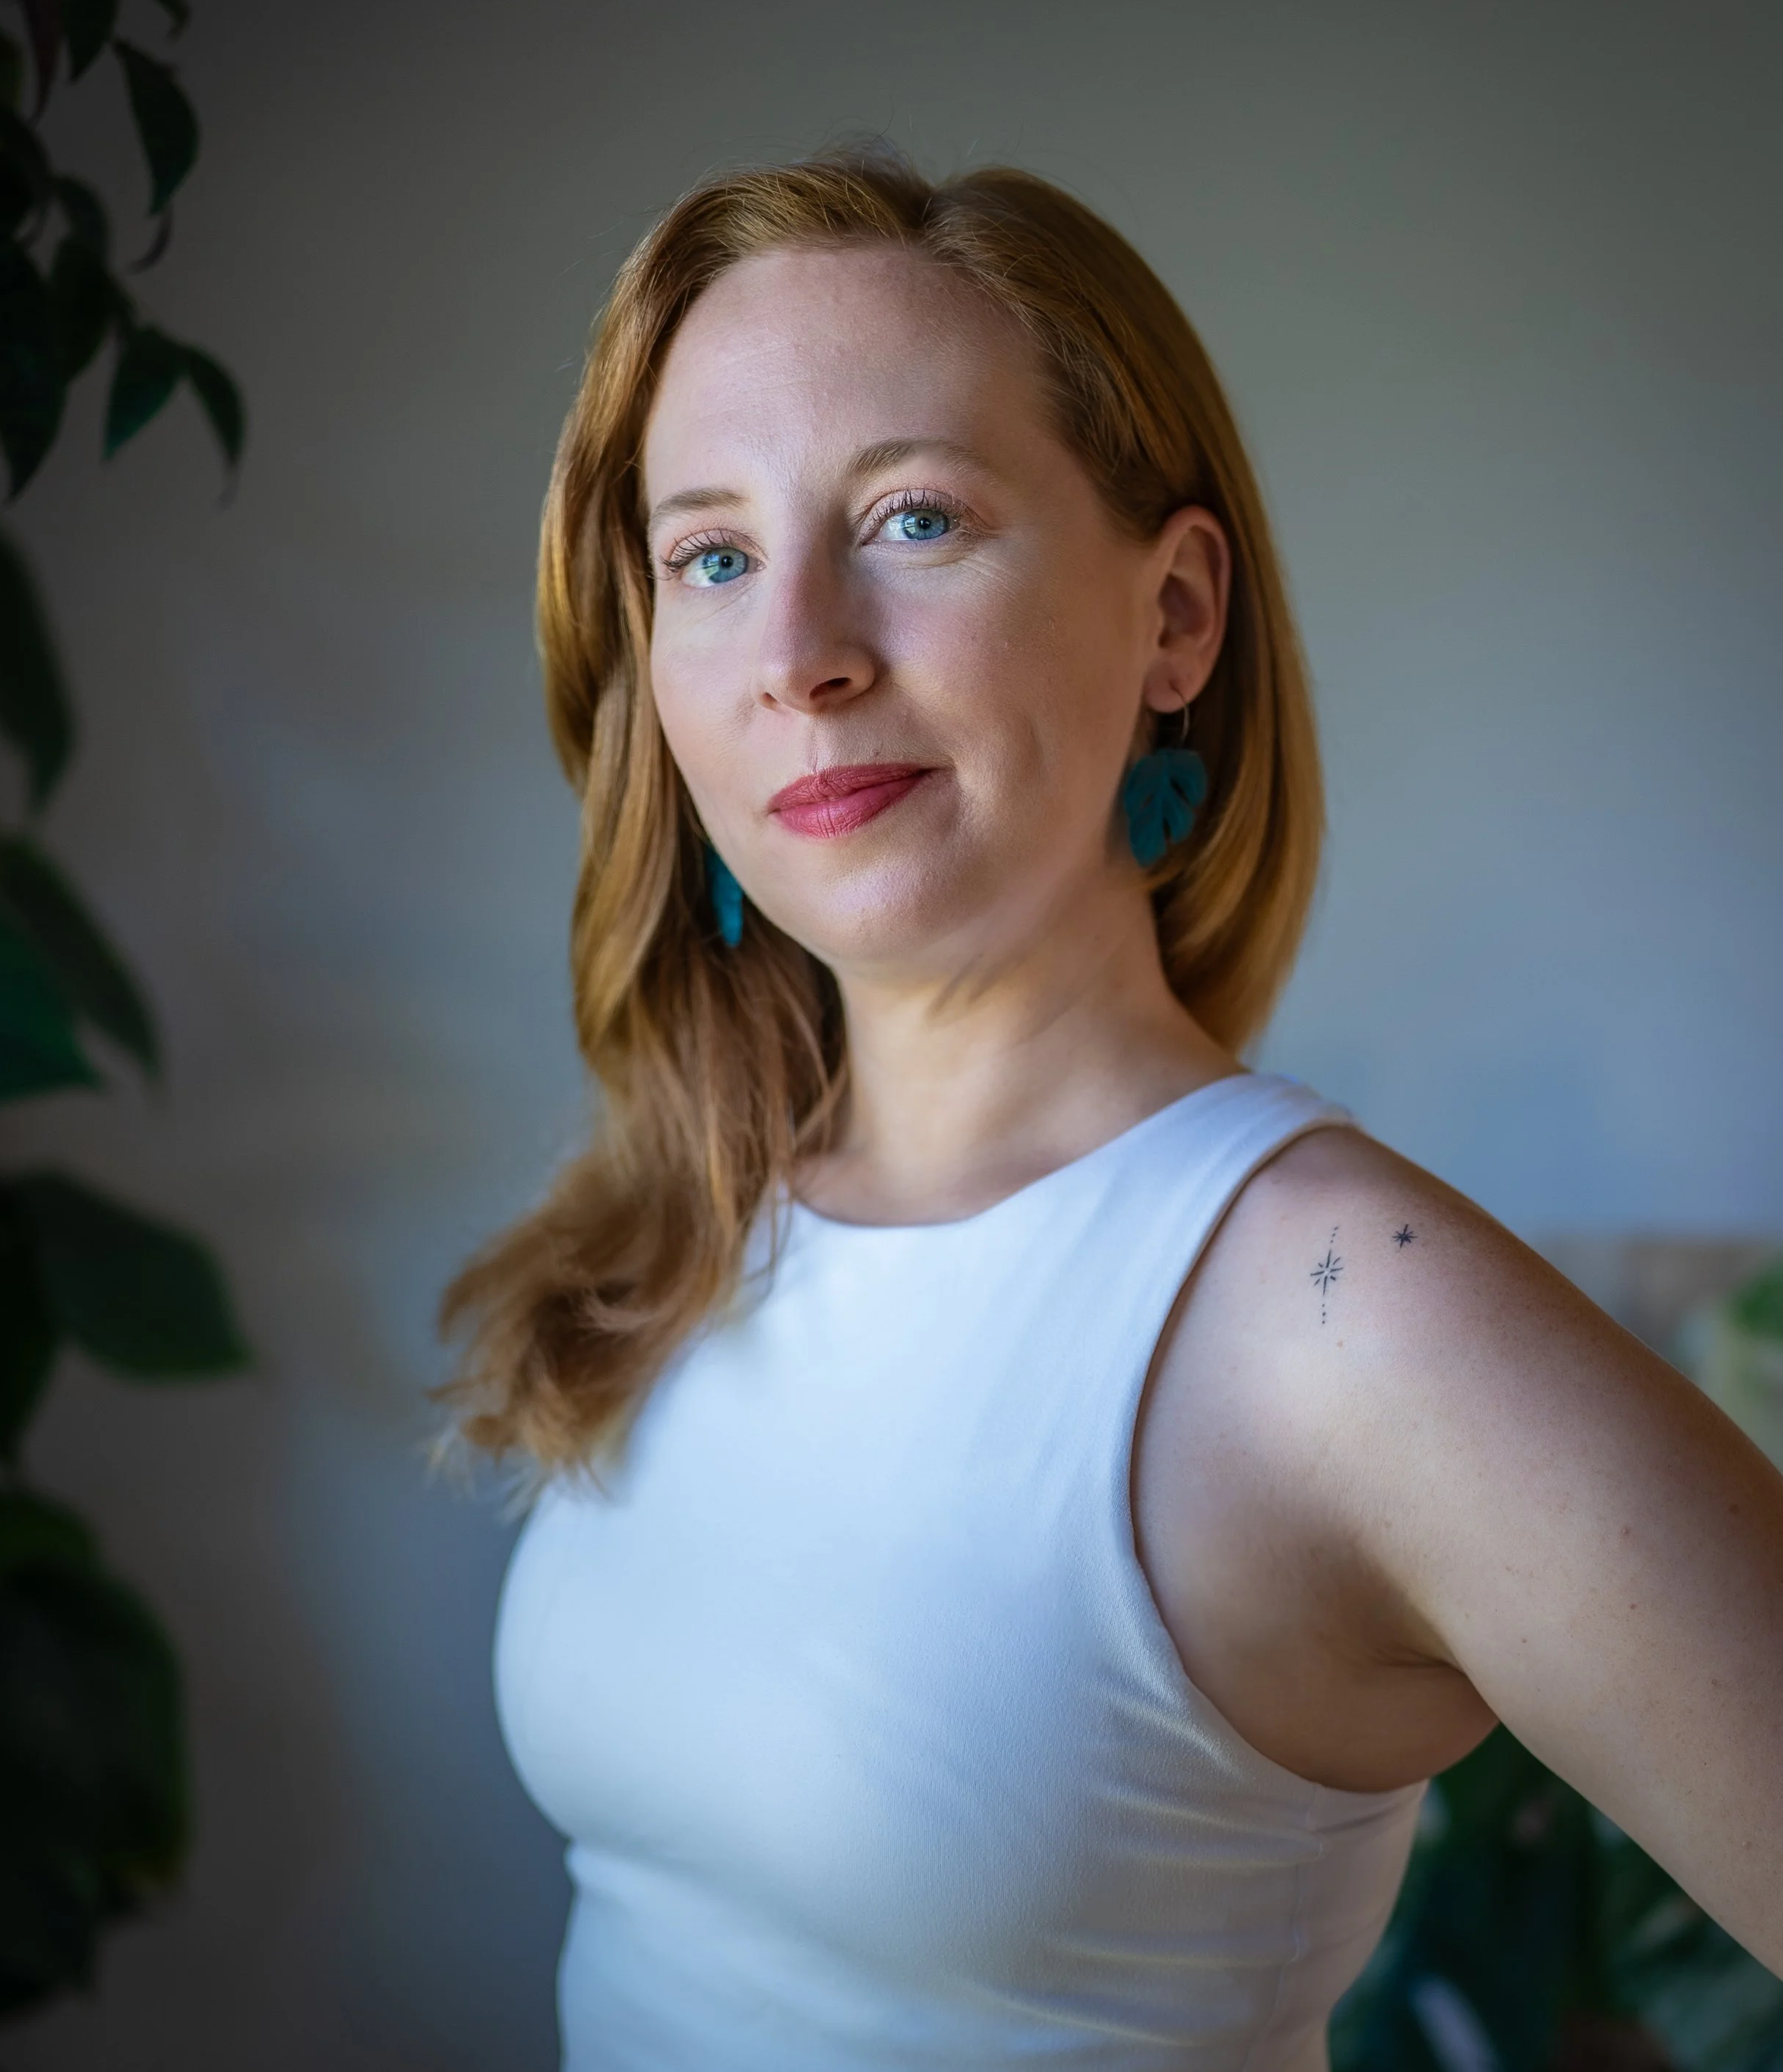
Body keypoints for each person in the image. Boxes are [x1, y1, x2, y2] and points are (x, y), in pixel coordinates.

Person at [443, 148, 1783, 2070]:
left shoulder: (1338, 1318)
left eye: (909, 518)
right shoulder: (700, 1223)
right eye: (712, 554)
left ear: (1172, 616)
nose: (800, 649)